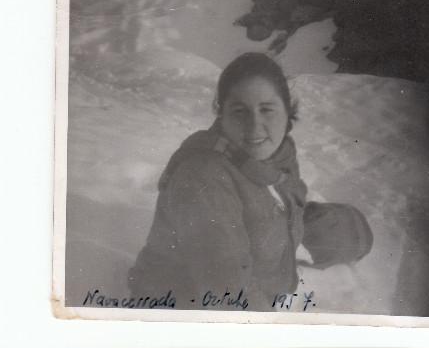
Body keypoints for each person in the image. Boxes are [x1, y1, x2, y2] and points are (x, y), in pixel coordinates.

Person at [128, 52, 373, 311]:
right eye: (239, 112)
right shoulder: (204, 177)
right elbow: (228, 292)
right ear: (221, 115)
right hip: (186, 309)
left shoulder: (280, 153)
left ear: (287, 111)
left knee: (352, 232)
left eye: (266, 110)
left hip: (264, 271)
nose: (255, 127)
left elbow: (282, 202)